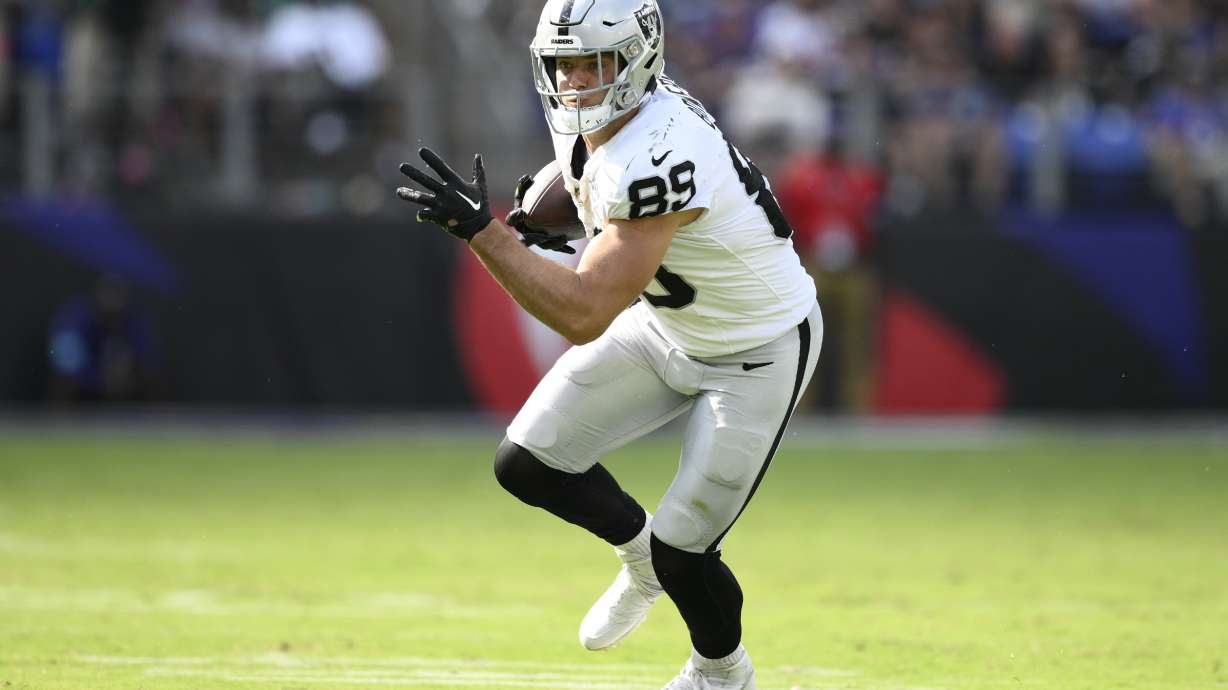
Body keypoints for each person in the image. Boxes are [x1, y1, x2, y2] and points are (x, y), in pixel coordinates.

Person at [395, 1, 821, 688]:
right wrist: (545, 209)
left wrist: (489, 232)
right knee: (528, 463)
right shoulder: (614, 117)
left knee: (688, 552)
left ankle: (722, 672)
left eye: (592, 63)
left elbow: (585, 312)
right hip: (666, 325)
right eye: (562, 65)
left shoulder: (661, 153)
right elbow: (588, 169)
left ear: (638, 57)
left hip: (756, 348)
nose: (575, 82)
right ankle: (639, 554)